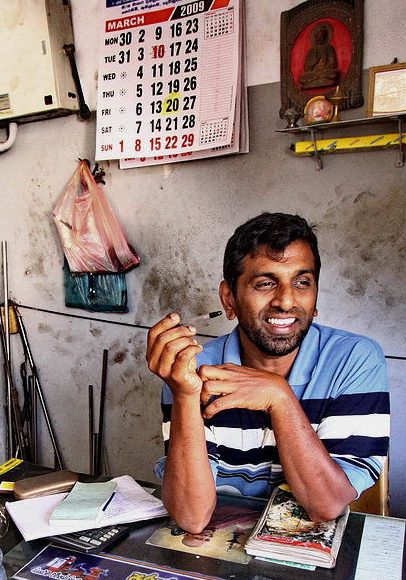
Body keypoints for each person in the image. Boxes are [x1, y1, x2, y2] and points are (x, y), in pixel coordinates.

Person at [146, 213, 389, 534]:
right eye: (265, 283)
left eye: (302, 282)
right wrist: (185, 395)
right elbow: (192, 517)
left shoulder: (354, 359)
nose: (287, 300)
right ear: (229, 299)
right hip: (223, 544)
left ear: (315, 298)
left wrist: (279, 397)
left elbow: (326, 504)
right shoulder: (191, 370)